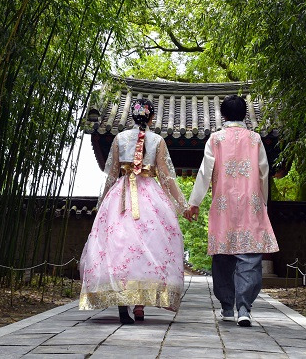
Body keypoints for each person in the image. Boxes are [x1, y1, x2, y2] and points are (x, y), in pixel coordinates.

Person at [79, 98, 187, 324]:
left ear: (133, 116)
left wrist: (102, 201)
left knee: (119, 244)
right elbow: (166, 177)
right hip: (150, 196)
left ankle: (122, 297)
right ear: (151, 117)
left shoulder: (120, 138)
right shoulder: (157, 140)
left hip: (122, 195)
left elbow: (111, 174)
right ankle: (139, 305)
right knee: (148, 246)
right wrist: (181, 204)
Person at [184, 94, 278, 327]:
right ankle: (244, 308)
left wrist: (194, 202)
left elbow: (205, 172)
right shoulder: (255, 139)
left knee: (223, 255)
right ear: (245, 114)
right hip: (250, 202)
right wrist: (263, 200)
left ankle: (227, 307)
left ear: (223, 115)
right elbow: (264, 171)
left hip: (224, 204)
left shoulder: (215, 139)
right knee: (250, 255)